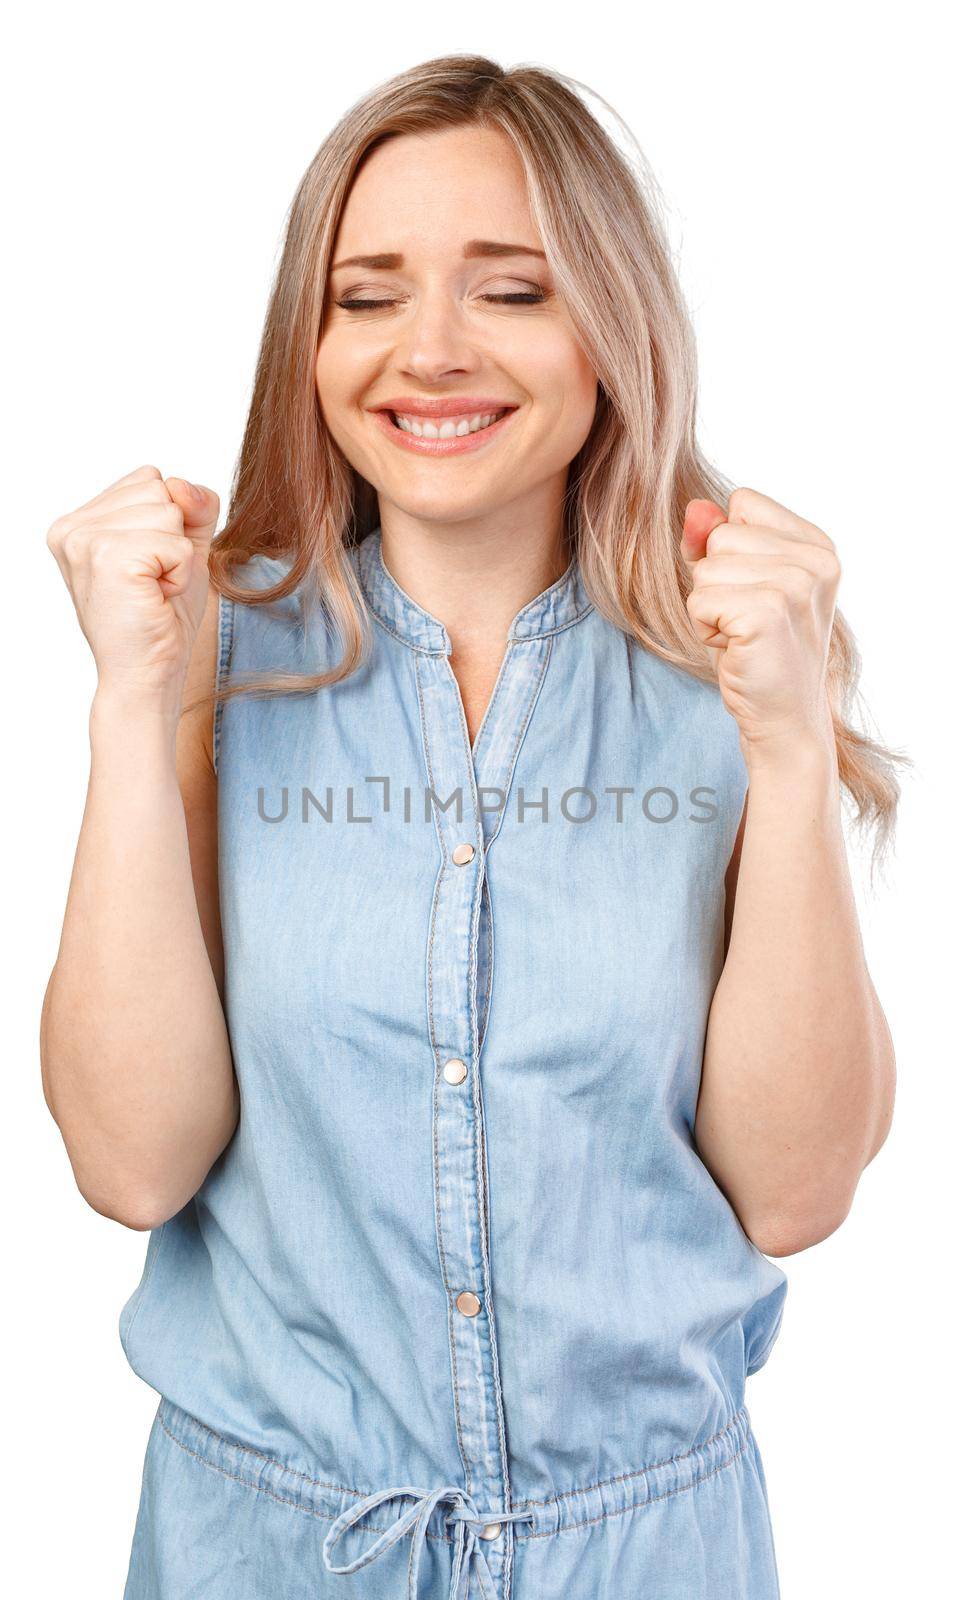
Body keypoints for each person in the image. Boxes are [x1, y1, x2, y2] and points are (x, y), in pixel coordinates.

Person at [40, 53, 902, 1600]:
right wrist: (128, 704)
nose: (427, 352)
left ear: (611, 331)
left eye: (510, 291)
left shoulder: (734, 662)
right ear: (309, 342)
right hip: (267, 1557)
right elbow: (133, 1161)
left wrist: (784, 752)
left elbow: (794, 1192)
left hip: (650, 1560)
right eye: (366, 298)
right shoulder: (210, 655)